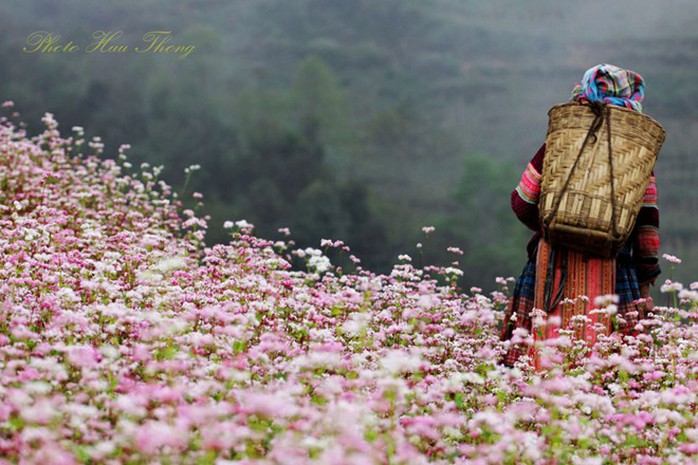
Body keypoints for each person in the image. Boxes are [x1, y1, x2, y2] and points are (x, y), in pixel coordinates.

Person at [500, 64, 661, 368]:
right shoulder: (638, 154)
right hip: (614, 268)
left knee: (536, 362)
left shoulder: (560, 142)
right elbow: (646, 229)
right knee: (610, 370)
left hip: (550, 266)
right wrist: (646, 280)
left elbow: (522, 201)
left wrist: (556, 227)